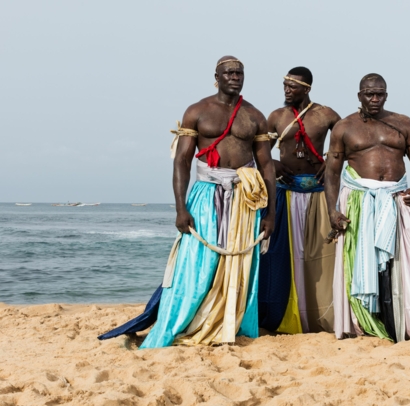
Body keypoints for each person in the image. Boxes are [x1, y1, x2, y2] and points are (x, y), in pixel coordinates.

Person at [98, 56, 276, 347]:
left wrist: (271, 214)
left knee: (240, 265)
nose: (235, 77)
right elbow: (181, 160)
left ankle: (229, 326)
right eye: (229, 72)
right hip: (205, 195)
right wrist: (181, 208)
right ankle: (180, 323)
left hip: (244, 199)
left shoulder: (255, 116)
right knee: (195, 264)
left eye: (240, 72)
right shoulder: (198, 111)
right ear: (216, 76)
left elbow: (266, 165)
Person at [324, 73, 410, 343]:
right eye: (369, 94)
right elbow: (332, 172)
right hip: (360, 200)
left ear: (386, 95)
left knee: (404, 261)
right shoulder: (344, 127)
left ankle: (407, 319)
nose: (374, 98)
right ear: (359, 95)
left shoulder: (403, 123)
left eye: (380, 93)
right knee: (360, 261)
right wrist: (332, 210)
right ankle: (365, 321)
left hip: (396, 198)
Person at [258, 67, 341, 334]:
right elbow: (259, 153)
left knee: (320, 257)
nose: (286, 90)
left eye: (292, 86)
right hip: (285, 191)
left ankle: (322, 314)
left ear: (306, 88)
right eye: (284, 85)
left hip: (318, 193)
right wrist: (272, 162)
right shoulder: (276, 117)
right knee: (284, 254)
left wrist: (330, 160)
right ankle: (282, 313)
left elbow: (346, 143)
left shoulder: (326, 114)